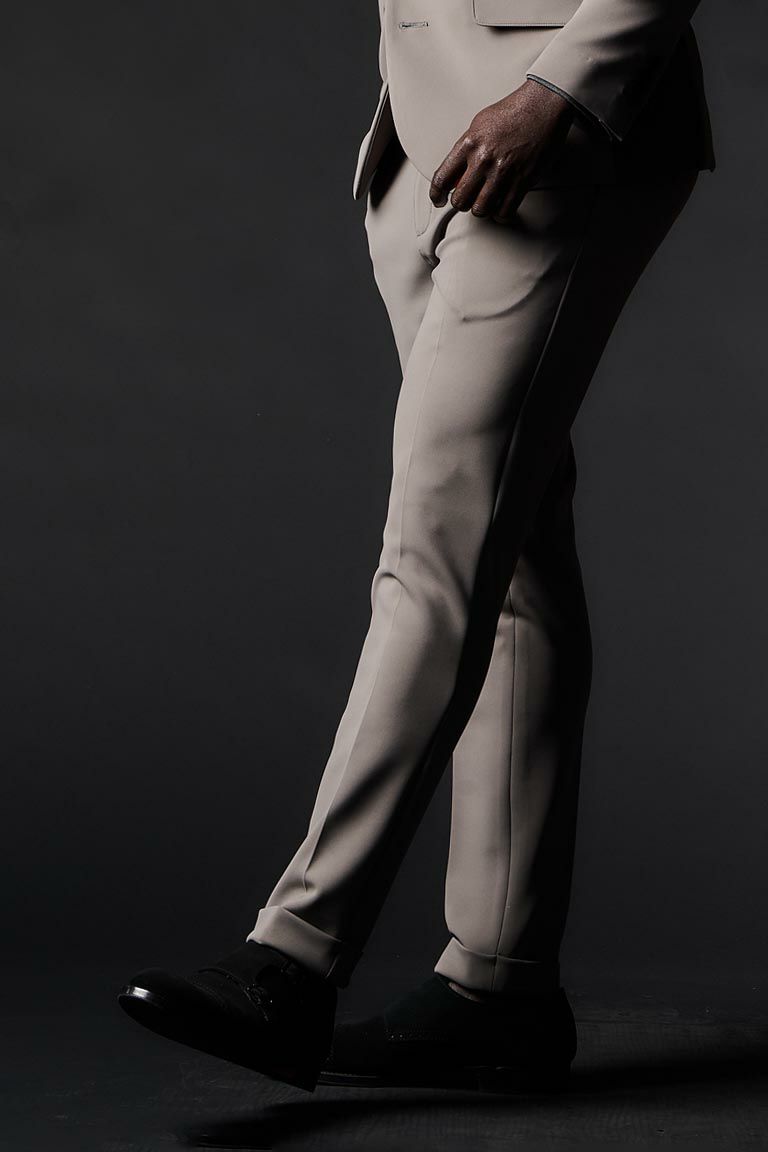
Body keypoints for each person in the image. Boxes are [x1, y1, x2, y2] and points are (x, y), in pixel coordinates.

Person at [118, 0, 714, 1094]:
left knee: (435, 550)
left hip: (550, 132)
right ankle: (499, 986)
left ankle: (296, 953)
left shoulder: (557, 110)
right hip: (420, 146)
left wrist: (560, 91)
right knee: (512, 555)